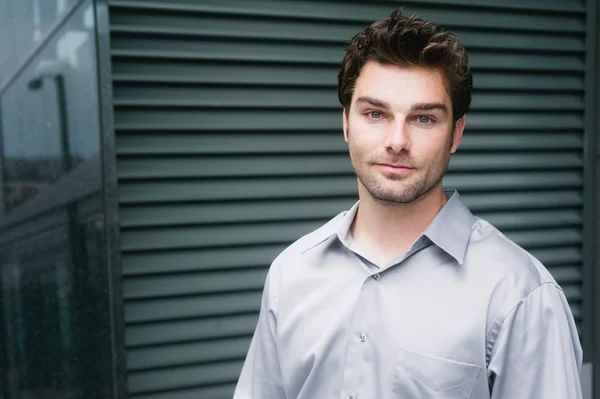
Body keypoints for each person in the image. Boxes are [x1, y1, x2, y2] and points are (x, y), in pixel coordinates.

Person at [233, 8, 583, 399]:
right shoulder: (291, 274)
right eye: (375, 113)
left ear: (456, 133)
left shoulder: (520, 294)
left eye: (423, 119)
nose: (397, 141)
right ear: (346, 122)